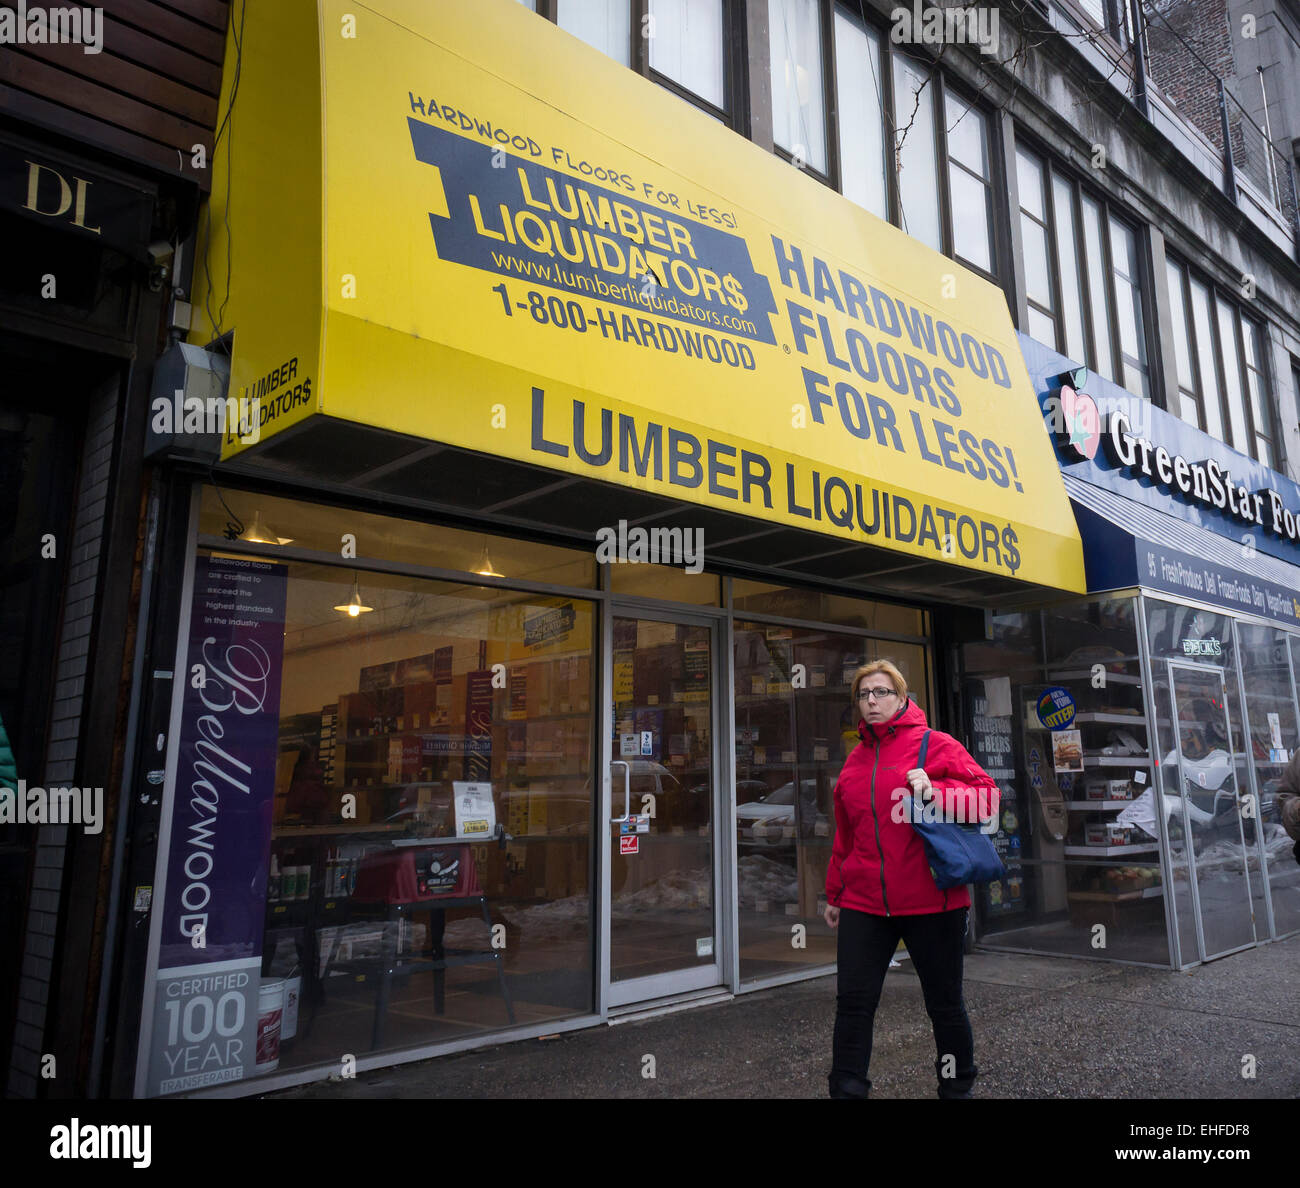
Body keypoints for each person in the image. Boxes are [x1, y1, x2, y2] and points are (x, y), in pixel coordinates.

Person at [824, 659, 1000, 1100]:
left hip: (932, 902)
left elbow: (988, 803)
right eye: (864, 695)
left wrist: (935, 792)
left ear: (902, 699)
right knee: (853, 1003)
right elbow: (846, 836)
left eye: (882, 692)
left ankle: (956, 1085)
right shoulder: (855, 761)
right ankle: (847, 1089)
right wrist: (835, 893)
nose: (871, 702)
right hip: (865, 903)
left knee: (943, 1003)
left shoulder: (935, 745)